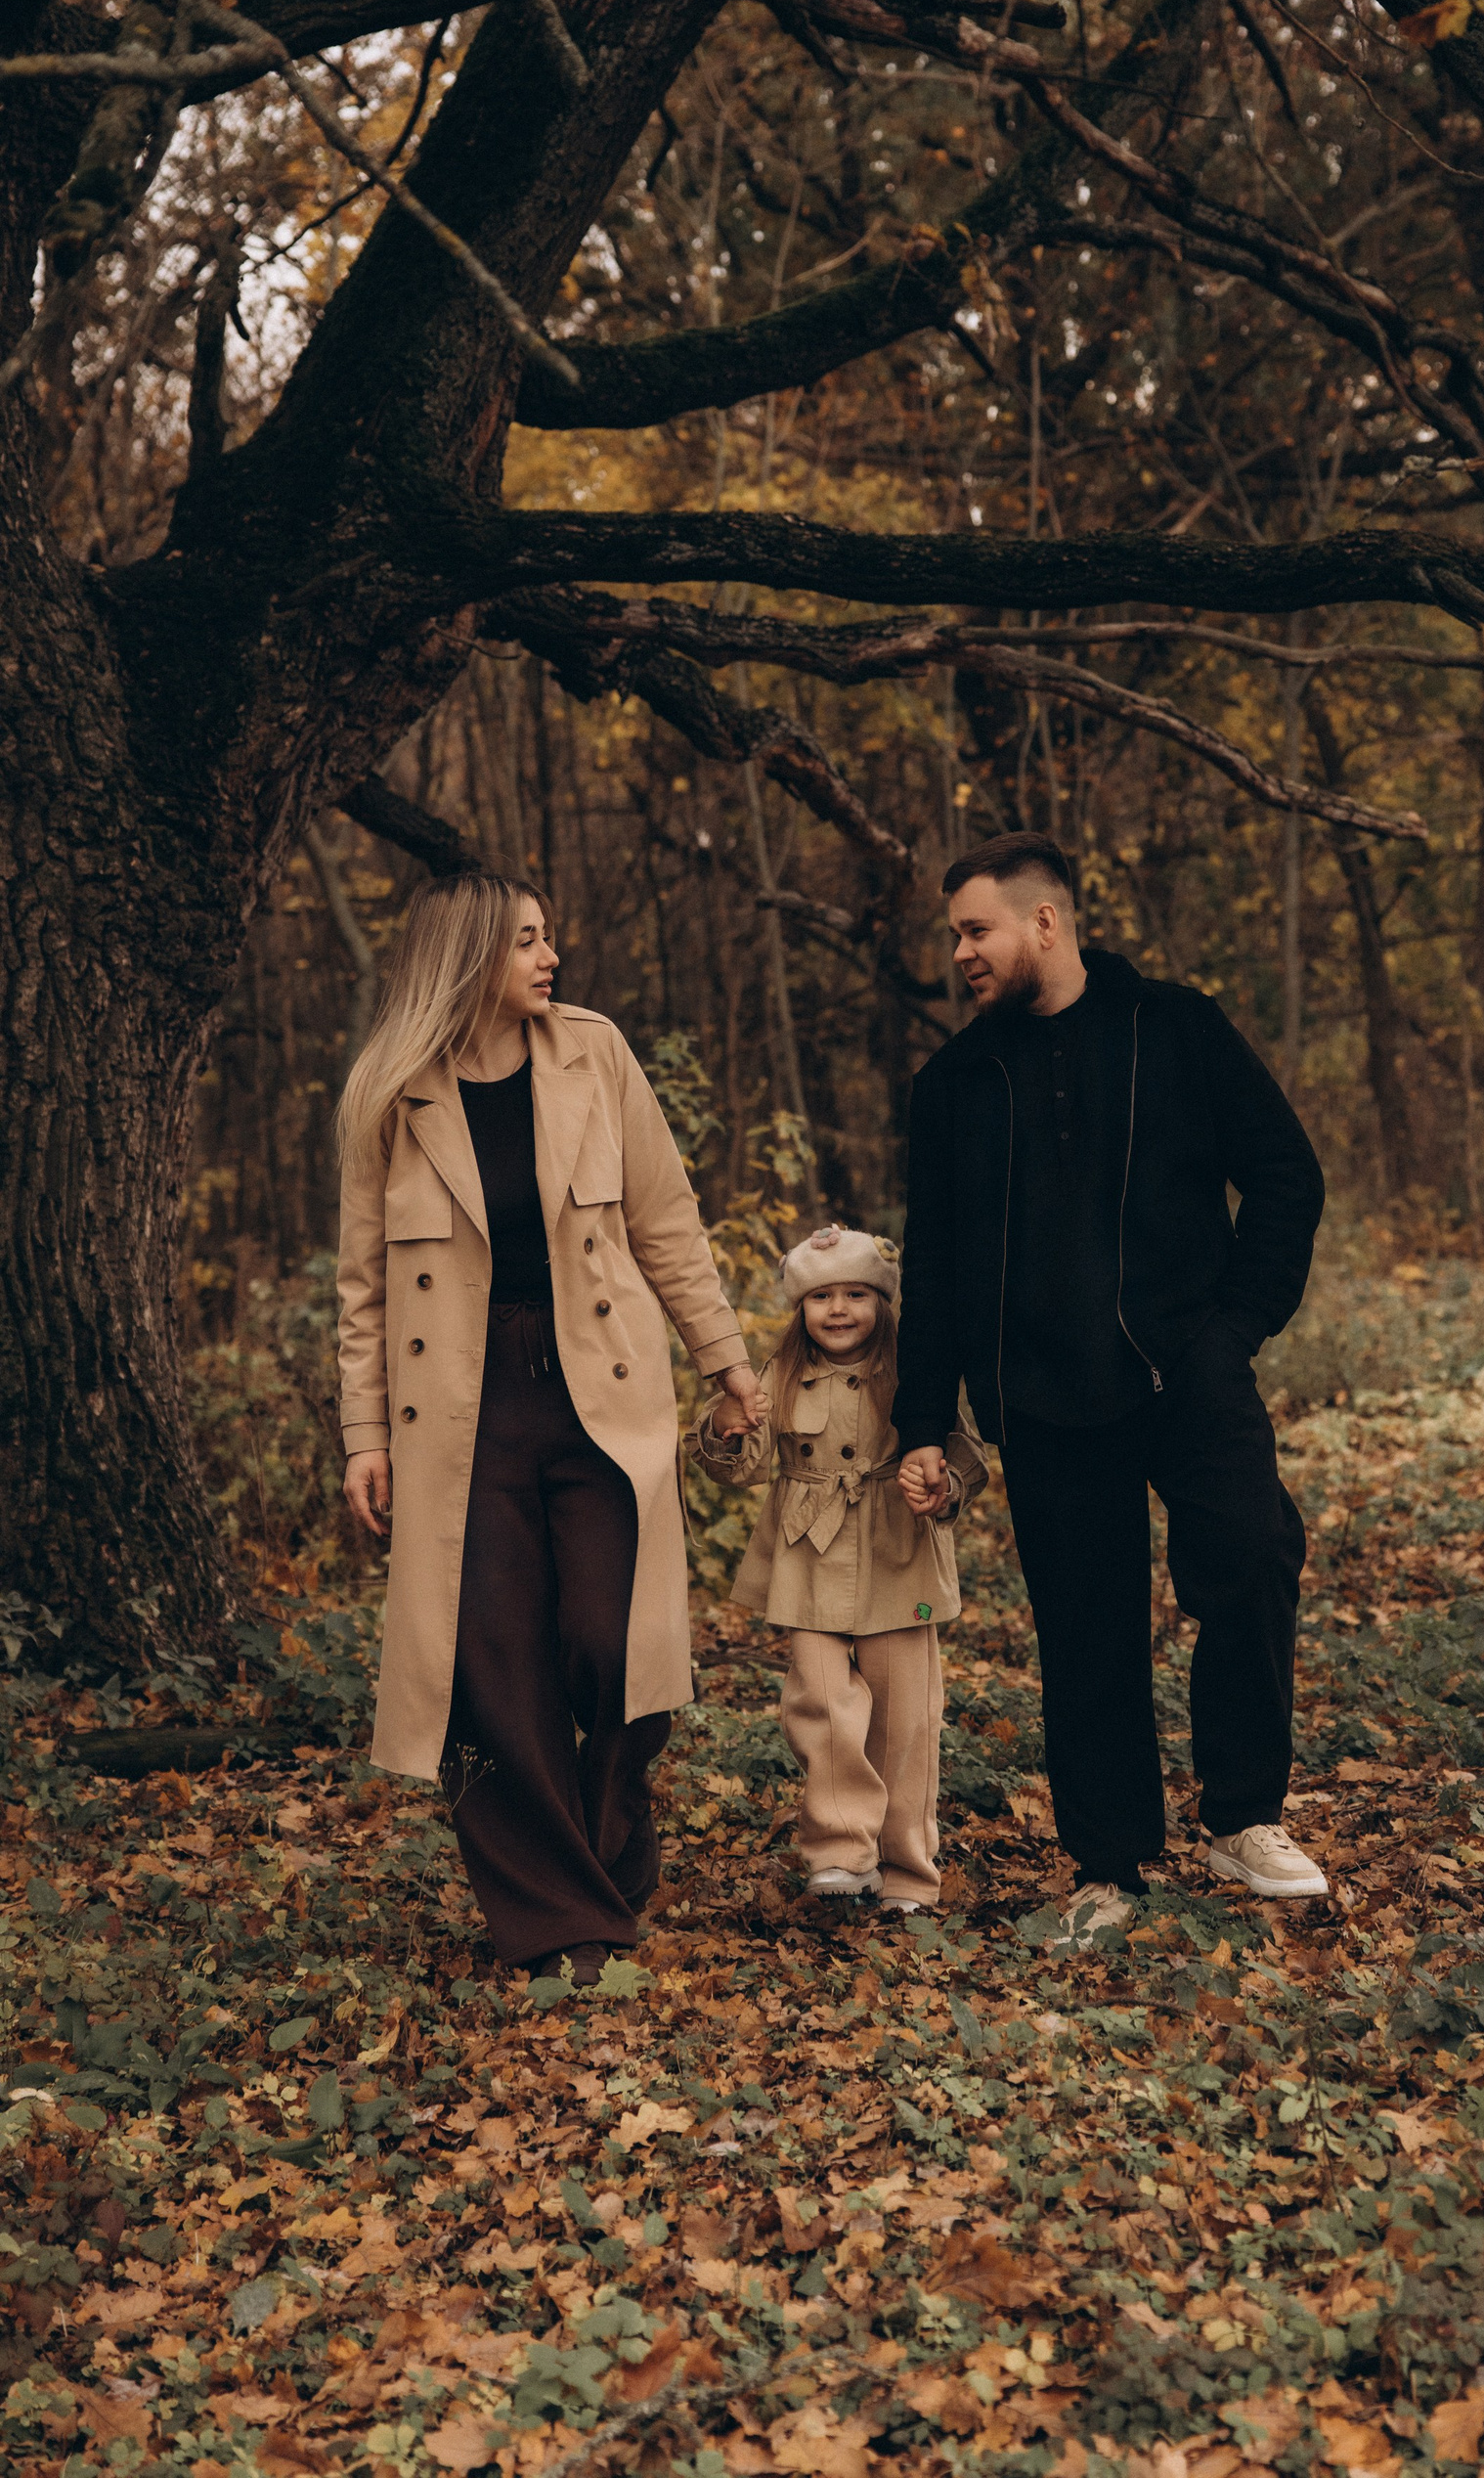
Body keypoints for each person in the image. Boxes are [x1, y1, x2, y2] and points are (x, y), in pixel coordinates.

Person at [892, 832, 1328, 1942]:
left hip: (1189, 1369)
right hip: (1043, 1395)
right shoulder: (953, 1085)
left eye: (977, 929)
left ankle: (1243, 1816)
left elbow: (1286, 1173)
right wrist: (924, 1417)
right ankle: (1111, 1866)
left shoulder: (1175, 1028)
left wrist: (1235, 1329)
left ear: (1045, 921)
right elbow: (933, 1261)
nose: (961, 953)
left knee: (1251, 1554)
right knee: (1086, 1633)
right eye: (955, 934)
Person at [334, 872, 764, 1983]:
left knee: (616, 1642)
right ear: (470, 954)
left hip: (598, 1387)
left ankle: (609, 1844)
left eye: (548, 935)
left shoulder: (594, 1053)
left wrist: (727, 1362)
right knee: (494, 1666)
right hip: (458, 1412)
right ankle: (558, 1917)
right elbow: (363, 1285)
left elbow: (666, 1220)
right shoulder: (390, 1091)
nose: (549, 956)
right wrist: (364, 1432)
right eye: (526, 939)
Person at [696, 1225, 985, 1914]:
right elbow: (743, 1464)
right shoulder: (778, 1374)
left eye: (857, 1294)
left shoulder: (916, 1369)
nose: (838, 1309)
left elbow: (962, 1450)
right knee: (821, 1705)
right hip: (810, 1553)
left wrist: (945, 1488)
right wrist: (723, 1427)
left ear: (884, 1301)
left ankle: (908, 1871)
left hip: (899, 1553)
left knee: (905, 1721)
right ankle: (840, 1852)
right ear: (800, 1307)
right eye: (821, 1296)